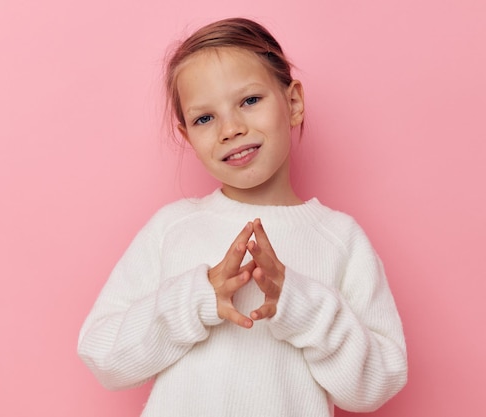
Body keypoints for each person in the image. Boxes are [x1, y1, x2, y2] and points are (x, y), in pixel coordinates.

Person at [78, 17, 407, 417]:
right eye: (204, 118)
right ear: (188, 137)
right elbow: (102, 355)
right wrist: (197, 298)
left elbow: (376, 385)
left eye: (250, 100)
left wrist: (300, 304)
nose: (231, 129)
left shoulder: (340, 238)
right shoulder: (171, 228)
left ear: (293, 103)